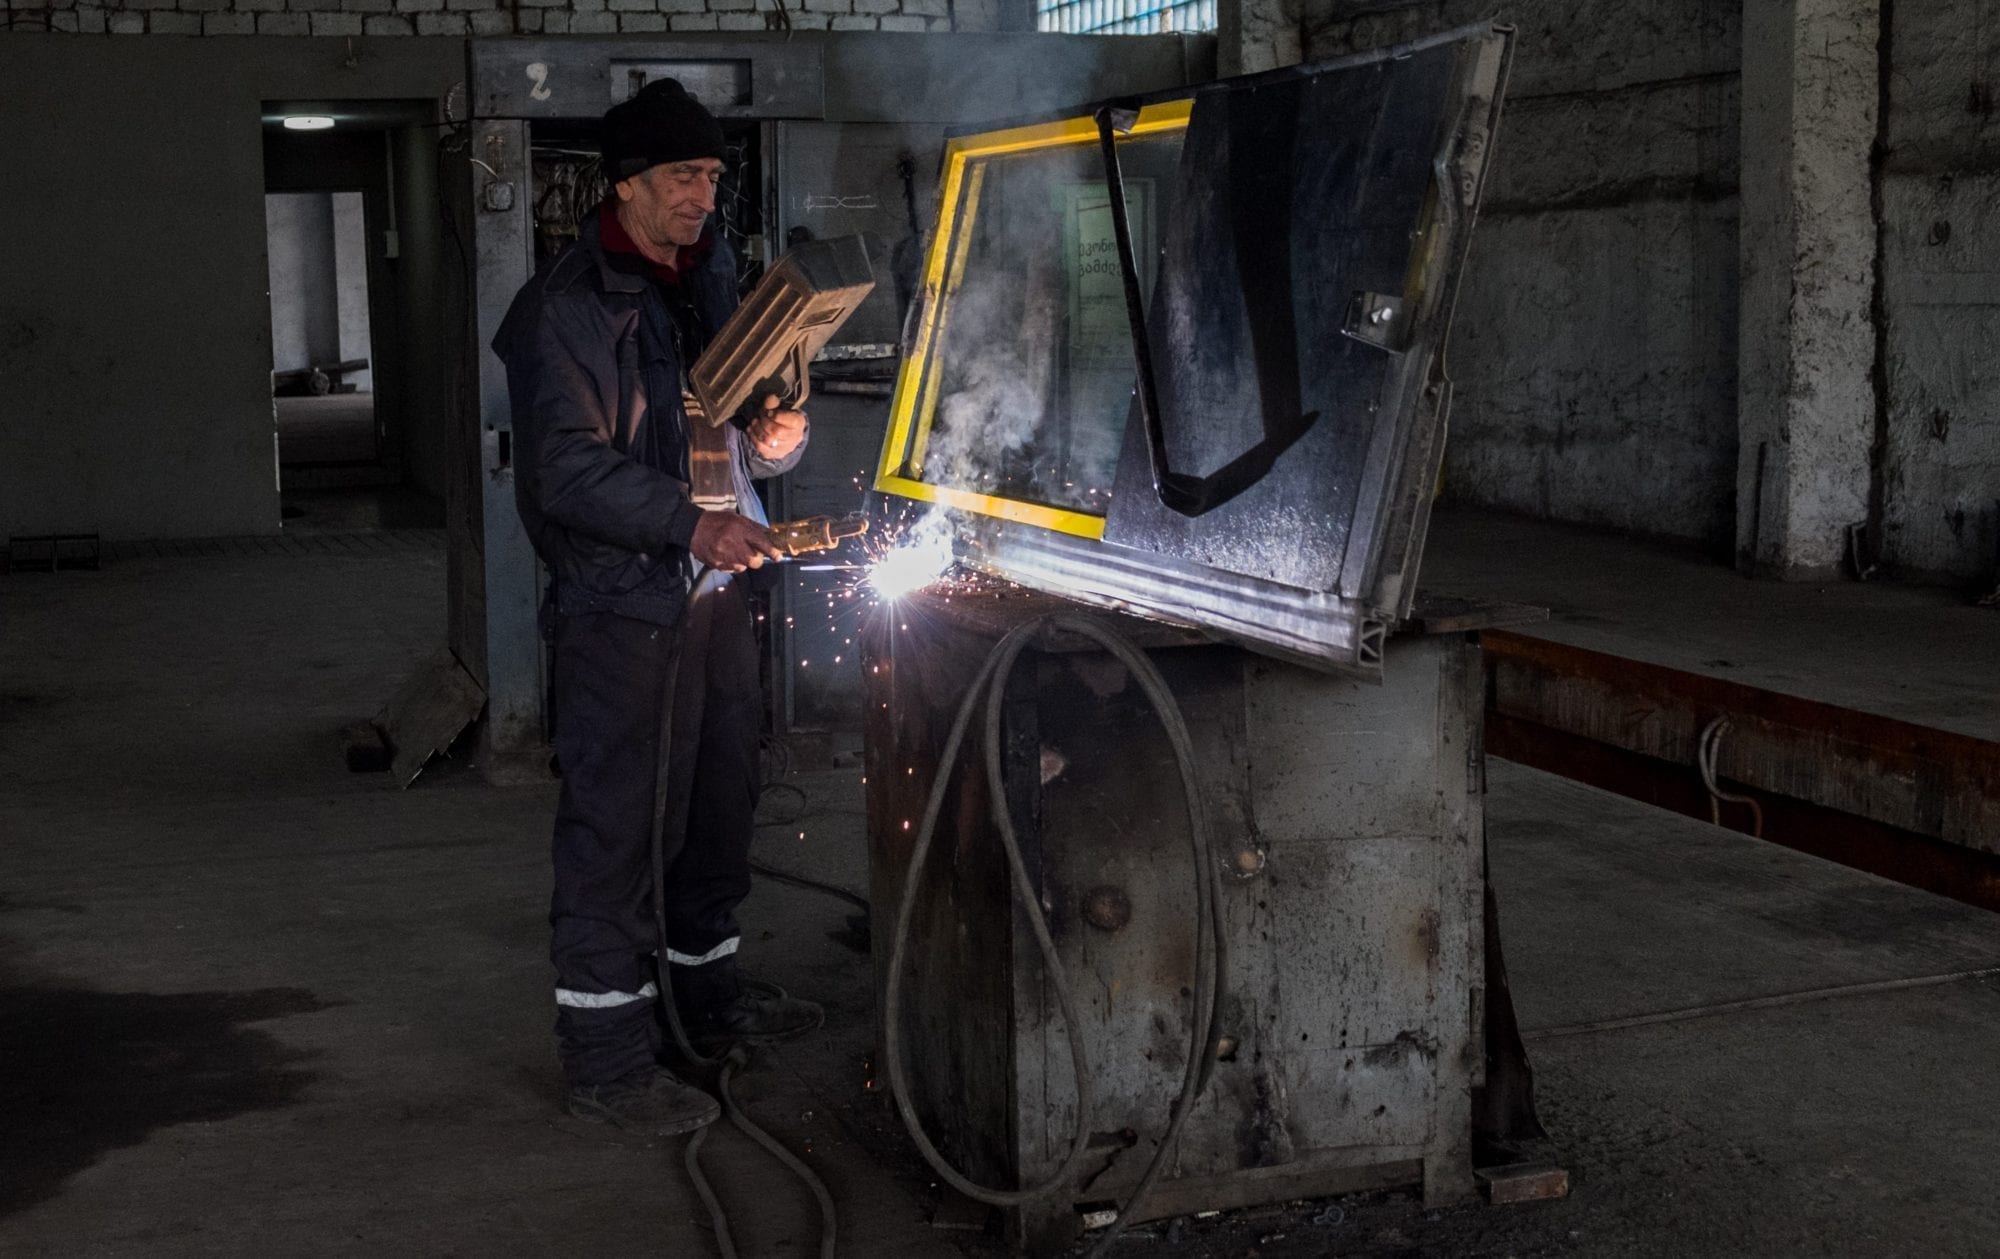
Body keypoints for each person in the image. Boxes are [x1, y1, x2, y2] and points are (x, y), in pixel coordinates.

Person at [493, 78, 823, 1136]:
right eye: (684, 174)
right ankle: (609, 1065)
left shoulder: (706, 281)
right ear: (626, 183)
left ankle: (705, 1015)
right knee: (619, 832)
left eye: (714, 173)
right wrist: (688, 525)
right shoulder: (567, 308)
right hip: (625, 611)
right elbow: (568, 472)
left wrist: (779, 440)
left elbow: (748, 415)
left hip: (717, 598)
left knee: (717, 816)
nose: (703, 192)